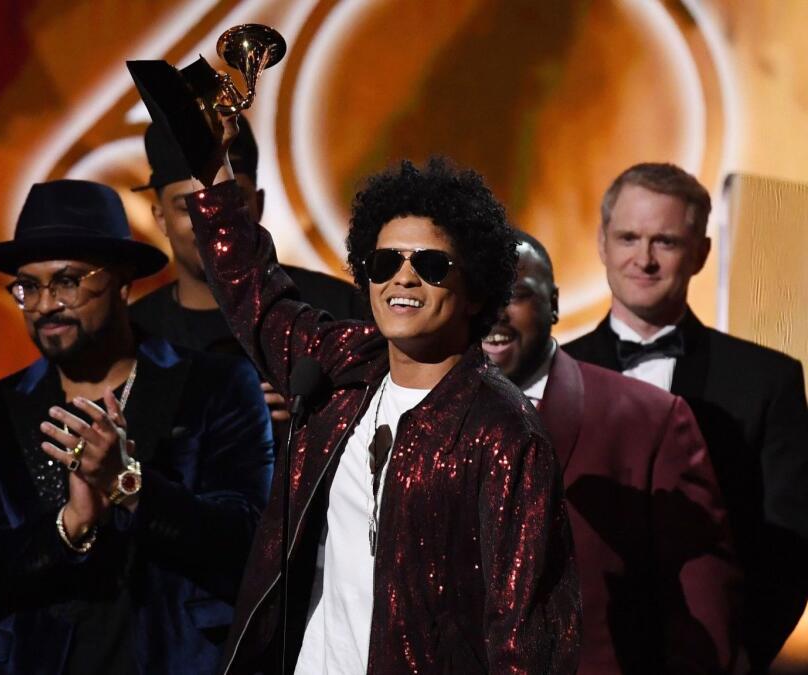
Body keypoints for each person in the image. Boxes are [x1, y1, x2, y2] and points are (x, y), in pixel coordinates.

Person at [186, 153, 581, 673]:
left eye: (431, 266)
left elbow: (525, 639)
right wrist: (212, 172)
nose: (404, 279)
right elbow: (255, 295)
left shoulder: (504, 434)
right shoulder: (342, 369)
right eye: (385, 262)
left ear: (476, 290)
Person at [0, 179, 274, 674]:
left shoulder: (215, 387)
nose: (46, 304)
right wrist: (70, 526)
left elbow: (246, 545)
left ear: (122, 282)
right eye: (28, 287)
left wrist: (129, 484)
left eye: (68, 281)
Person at [565, 162, 808, 670]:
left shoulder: (768, 380)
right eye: (629, 237)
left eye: (666, 242)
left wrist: (736, 657)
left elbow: (788, 545)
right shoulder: (552, 375)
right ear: (603, 245)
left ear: (700, 253)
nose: (644, 259)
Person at [484, 230, 741, 672]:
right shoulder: (416, 414)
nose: (493, 312)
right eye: (478, 293)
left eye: (516, 294)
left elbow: (704, 616)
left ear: (555, 303)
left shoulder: (650, 419)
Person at [130, 116, 365, 422]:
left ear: (259, 203)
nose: (209, 220)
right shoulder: (133, 336)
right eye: (189, 208)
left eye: (229, 200)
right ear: (160, 218)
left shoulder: (339, 308)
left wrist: (318, 420)